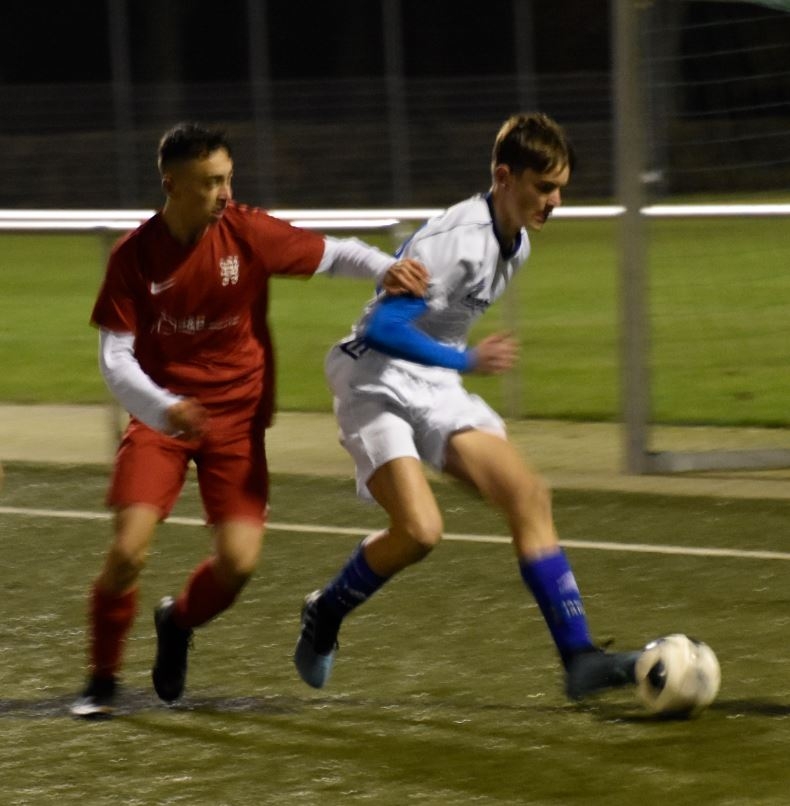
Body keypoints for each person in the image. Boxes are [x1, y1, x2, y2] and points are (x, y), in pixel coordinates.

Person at [70, 122, 427, 718]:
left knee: (238, 564)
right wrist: (163, 407)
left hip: (235, 420)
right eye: (211, 183)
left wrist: (383, 267)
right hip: (161, 420)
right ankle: (101, 680)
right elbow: (115, 359)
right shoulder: (133, 256)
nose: (225, 194)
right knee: (128, 551)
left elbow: (333, 252)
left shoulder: (246, 232)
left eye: (228, 179)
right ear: (171, 184)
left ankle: (178, 622)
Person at [294, 112, 640, 700]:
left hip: (435, 383)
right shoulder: (457, 242)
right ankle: (325, 611)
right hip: (374, 381)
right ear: (504, 177)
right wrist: (466, 360)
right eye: (544, 187)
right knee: (420, 531)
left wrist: (453, 366)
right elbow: (382, 327)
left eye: (560, 188)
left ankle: (579, 659)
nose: (555, 201)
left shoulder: (517, 242)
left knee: (527, 494)